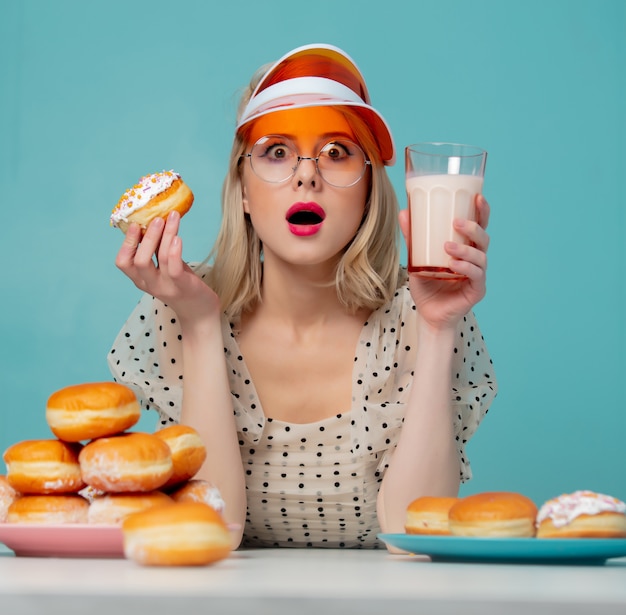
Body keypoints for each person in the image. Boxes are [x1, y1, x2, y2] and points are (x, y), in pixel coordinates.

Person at [109, 43, 497, 549]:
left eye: (337, 152)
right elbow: (210, 534)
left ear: (367, 194)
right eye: (276, 151)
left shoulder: (420, 314)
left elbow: (413, 538)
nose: (307, 173)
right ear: (243, 192)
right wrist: (202, 326)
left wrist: (439, 329)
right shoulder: (178, 306)